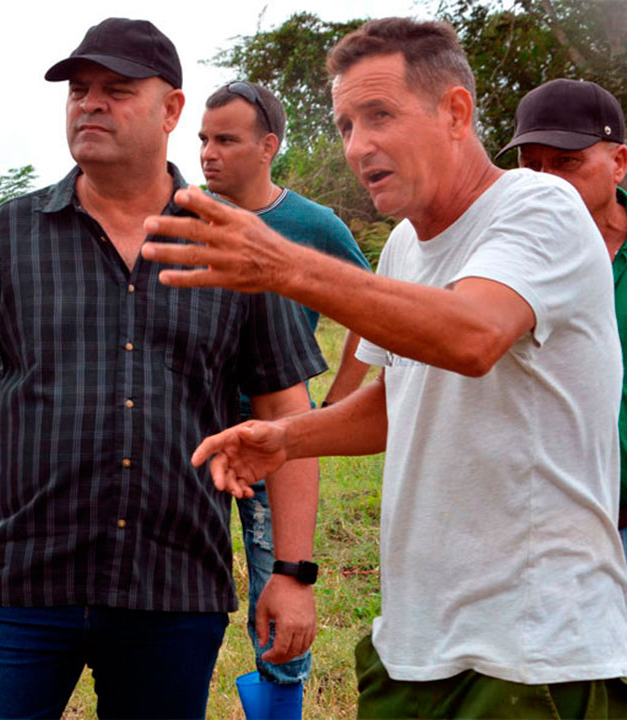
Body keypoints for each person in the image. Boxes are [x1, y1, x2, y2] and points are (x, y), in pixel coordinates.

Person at [142, 17, 627, 719]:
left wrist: (282, 265)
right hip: (414, 642)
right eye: (344, 125)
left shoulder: (539, 205)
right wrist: (290, 438)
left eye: (379, 116)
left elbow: (473, 337)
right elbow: (407, 395)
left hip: (533, 648)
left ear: (455, 111)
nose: (358, 146)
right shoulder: (405, 244)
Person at [0, 17, 326, 719]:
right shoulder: (10, 234)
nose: (89, 103)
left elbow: (286, 409)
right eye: (79, 91)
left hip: (173, 587)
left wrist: (293, 572)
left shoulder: (235, 243)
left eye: (117, 90)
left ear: (172, 110)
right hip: (19, 584)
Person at [199, 81, 371, 703]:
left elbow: (369, 309)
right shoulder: (183, 215)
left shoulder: (311, 224)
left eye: (226, 139)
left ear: (268, 145)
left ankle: (279, 703)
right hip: (190, 431)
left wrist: (334, 409)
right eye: (202, 139)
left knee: (279, 575)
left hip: (276, 434)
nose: (208, 153)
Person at [497, 78, 627, 563]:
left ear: (619, 163)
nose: (545, 180)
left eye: (567, 163)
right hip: (546, 525)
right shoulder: (507, 257)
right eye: (532, 165)